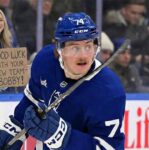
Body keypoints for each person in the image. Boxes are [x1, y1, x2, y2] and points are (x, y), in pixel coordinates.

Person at [0, 12, 126, 150]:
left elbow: (109, 147)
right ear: (59, 48)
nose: (83, 55)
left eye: (88, 46)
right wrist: (14, 129)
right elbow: (32, 100)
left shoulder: (109, 91)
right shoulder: (45, 61)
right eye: (74, 47)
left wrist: (63, 137)